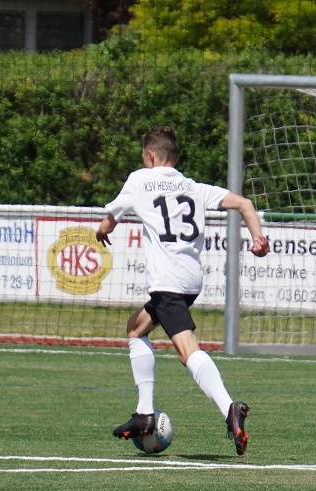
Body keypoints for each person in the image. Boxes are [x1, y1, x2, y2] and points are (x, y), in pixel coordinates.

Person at [95, 126, 269, 455]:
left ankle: (228, 407)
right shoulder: (193, 187)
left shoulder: (140, 179)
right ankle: (144, 412)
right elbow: (244, 203)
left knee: (187, 350)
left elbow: (109, 220)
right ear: (175, 157)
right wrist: (258, 238)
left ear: (149, 155)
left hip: (167, 281)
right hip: (190, 280)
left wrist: (102, 231)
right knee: (135, 328)